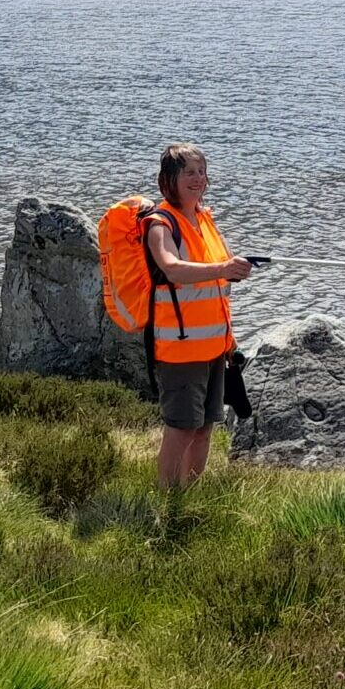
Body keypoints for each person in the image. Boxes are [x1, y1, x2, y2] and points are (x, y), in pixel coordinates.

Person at [145, 142, 253, 488]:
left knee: (205, 426)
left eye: (201, 171)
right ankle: (168, 502)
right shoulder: (160, 223)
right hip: (180, 347)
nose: (197, 178)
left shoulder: (204, 220)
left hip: (213, 346)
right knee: (181, 427)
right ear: (169, 179)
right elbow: (172, 268)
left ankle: (190, 495)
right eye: (188, 172)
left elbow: (214, 284)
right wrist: (224, 267)